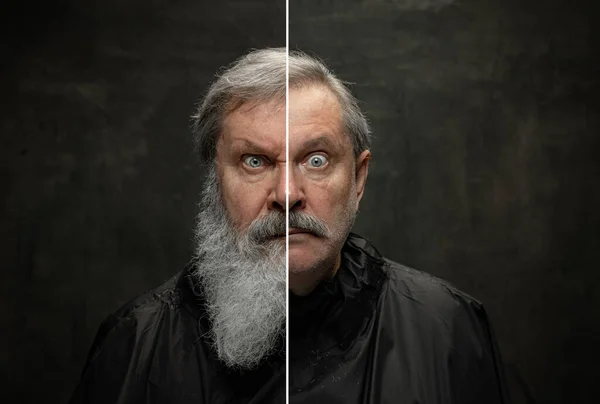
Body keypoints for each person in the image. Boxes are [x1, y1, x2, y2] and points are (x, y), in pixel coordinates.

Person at [70, 48, 510, 404]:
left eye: (316, 160)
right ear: (216, 183)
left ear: (358, 179)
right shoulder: (136, 343)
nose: (287, 193)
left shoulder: (446, 328)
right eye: (255, 161)